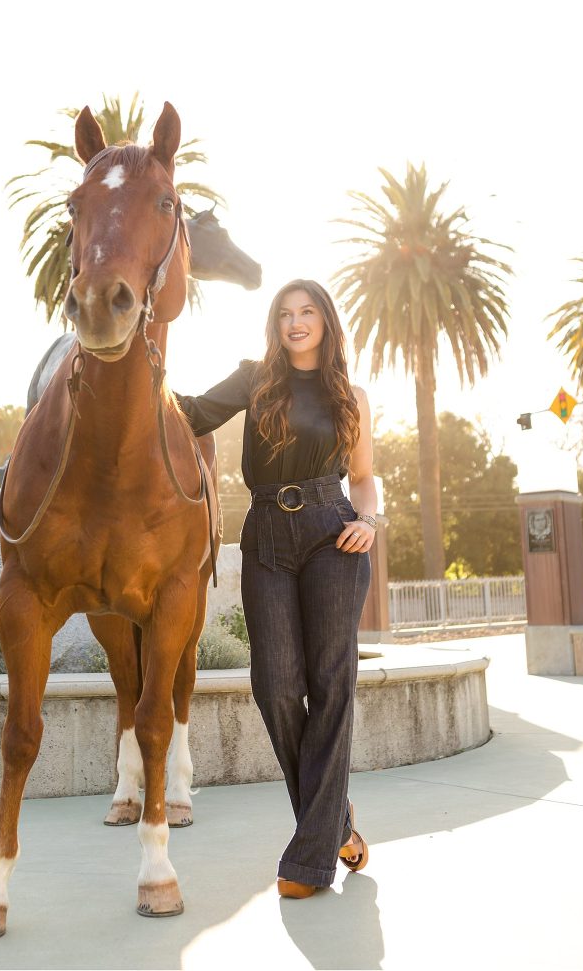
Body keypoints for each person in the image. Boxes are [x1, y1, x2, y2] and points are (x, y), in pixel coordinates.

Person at [175, 279, 377, 898]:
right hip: (264, 531)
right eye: (285, 313)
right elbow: (190, 412)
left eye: (307, 311)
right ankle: (336, 821)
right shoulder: (254, 379)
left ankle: (309, 860)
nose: (295, 322)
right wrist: (137, 363)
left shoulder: (351, 396)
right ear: (275, 323)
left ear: (325, 320)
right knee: (275, 686)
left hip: (332, 533)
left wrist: (369, 520)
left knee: (330, 682)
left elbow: (365, 478)